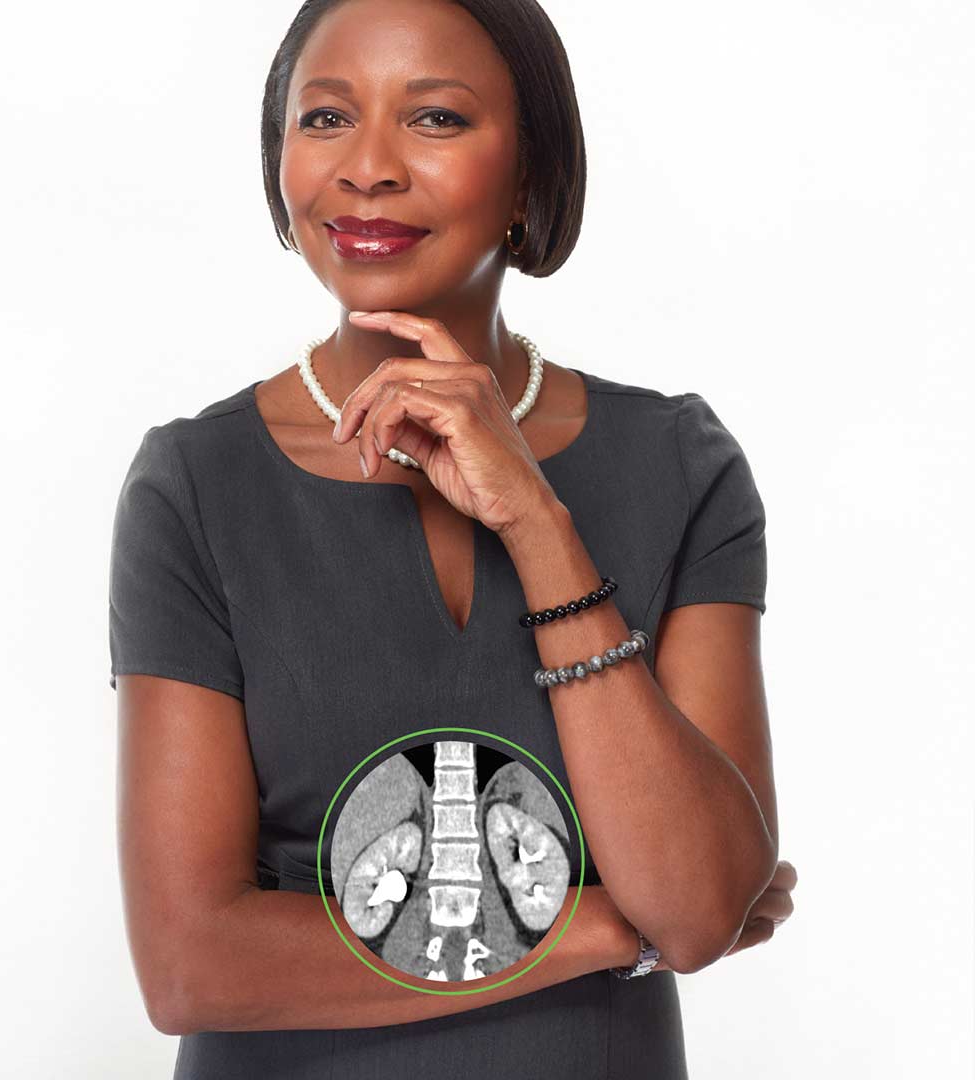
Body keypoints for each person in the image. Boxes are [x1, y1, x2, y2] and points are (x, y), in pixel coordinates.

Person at [108, 1, 798, 1076]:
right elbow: (192, 964)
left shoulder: (677, 464)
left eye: (434, 118)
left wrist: (536, 519)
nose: (368, 168)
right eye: (325, 118)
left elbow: (700, 901)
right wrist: (606, 925)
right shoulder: (197, 485)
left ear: (531, 175)